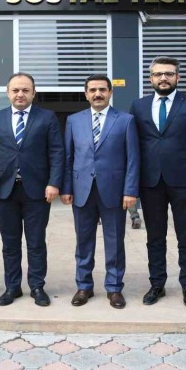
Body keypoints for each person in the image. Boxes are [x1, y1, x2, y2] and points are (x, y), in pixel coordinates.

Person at [129, 56, 186, 308]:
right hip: (150, 182)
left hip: (185, 181)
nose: (163, 78)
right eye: (158, 74)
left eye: (168, 74)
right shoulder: (139, 106)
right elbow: (133, 146)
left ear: (178, 77)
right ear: (150, 78)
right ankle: (157, 284)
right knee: (155, 237)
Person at [0, 73, 64, 307]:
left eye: (25, 90)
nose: (20, 94)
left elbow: (57, 152)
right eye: (15, 90)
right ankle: (12, 287)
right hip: (4, 191)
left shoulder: (47, 117)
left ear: (33, 93)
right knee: (10, 243)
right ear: (8, 93)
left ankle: (37, 286)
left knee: (36, 242)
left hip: (37, 191)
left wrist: (54, 183)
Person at [61, 74, 140, 309]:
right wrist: (66, 187)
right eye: (93, 90)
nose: (98, 94)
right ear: (86, 94)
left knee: (114, 242)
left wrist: (130, 191)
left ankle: (114, 288)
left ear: (110, 92)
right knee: (83, 242)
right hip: (82, 190)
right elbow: (68, 157)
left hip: (114, 191)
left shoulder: (126, 120)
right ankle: (84, 286)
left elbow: (133, 159)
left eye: (102, 90)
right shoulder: (73, 121)